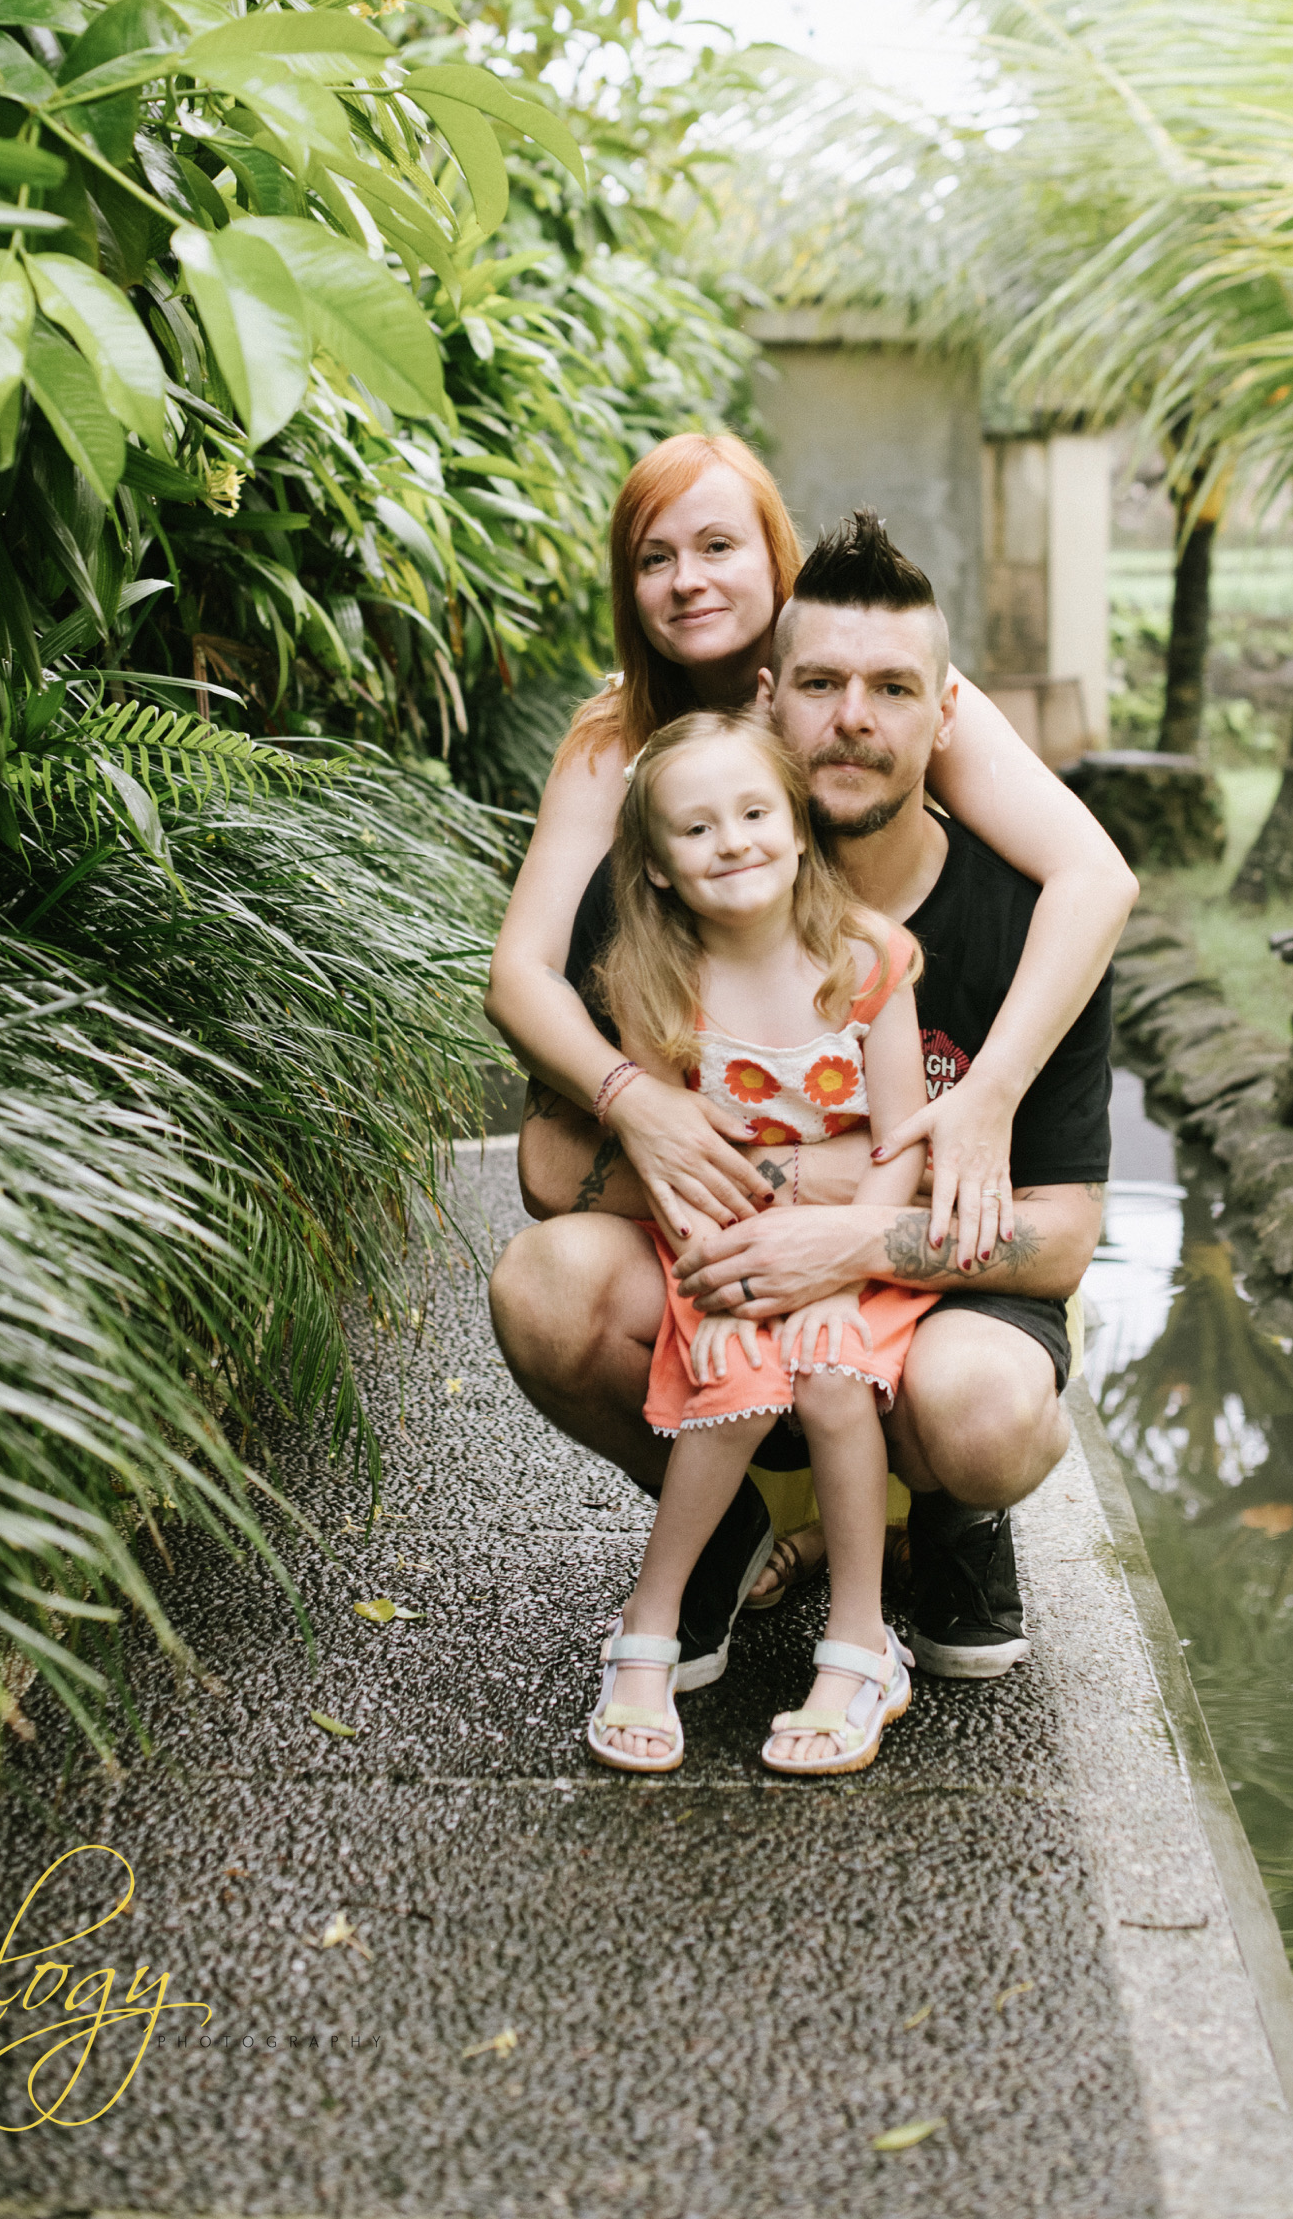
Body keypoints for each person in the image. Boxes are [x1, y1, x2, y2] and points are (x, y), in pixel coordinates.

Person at [493, 509, 1125, 1693]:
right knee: (544, 1289)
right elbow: (546, 1167)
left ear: (945, 714)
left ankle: (948, 1517)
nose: (852, 718)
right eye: (822, 684)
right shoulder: (684, 889)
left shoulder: (1021, 923)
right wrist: (790, 1181)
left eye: (891, 689)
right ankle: (720, 1521)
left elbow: (1059, 1241)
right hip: (724, 1290)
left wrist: (850, 1237)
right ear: (768, 699)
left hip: (931, 1318)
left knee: (981, 1410)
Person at [485, 434, 1134, 1275]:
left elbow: (1095, 875)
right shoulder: (618, 744)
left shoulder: (871, 682)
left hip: (865, 1016)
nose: (687, 580)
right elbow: (520, 976)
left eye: (718, 546)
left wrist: (989, 1093)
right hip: (728, 1057)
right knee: (554, 1277)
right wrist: (633, 1100)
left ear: (775, 561)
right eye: (654, 558)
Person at [571, 708, 930, 1778]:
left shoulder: (866, 960)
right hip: (722, 1245)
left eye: (753, 814)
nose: (731, 842)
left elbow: (901, 1141)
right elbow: (672, 1165)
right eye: (696, 829)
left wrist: (850, 1264)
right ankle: (649, 1623)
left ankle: (860, 1644)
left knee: (828, 1373)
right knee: (732, 1383)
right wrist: (719, 1283)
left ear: (797, 826)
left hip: (855, 1244)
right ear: (657, 865)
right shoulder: (653, 982)